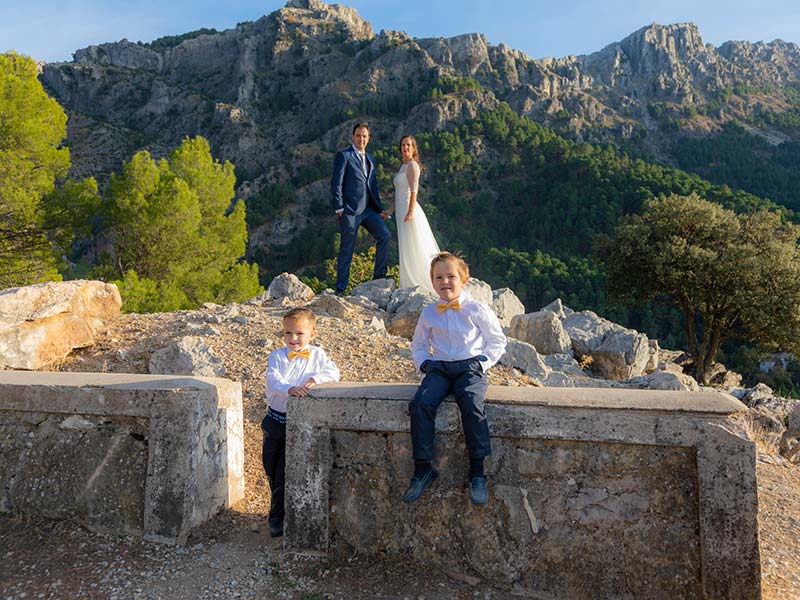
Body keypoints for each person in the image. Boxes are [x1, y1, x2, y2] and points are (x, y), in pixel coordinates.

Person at [405, 252, 507, 505]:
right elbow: (418, 343)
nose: (445, 282)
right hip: (439, 368)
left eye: (451, 276)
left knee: (472, 403)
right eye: (438, 277)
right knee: (421, 403)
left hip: (469, 367)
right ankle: (423, 467)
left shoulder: (477, 309)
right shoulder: (429, 312)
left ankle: (477, 470)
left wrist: (481, 363)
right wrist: (424, 363)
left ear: (464, 280)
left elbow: (497, 340)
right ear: (432, 282)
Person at [262, 307, 340, 538]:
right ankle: (278, 506)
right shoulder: (276, 356)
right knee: (269, 465)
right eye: (288, 333)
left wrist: (315, 379)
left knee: (284, 469)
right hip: (274, 420)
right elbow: (273, 379)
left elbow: (333, 372)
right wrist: (290, 388)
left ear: (312, 334)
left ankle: (277, 516)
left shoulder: (318, 355)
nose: (293, 339)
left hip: (297, 423)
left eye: (299, 334)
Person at [330, 122, 391, 296]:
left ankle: (379, 276)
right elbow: (336, 183)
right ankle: (340, 289)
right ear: (353, 137)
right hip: (350, 210)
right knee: (347, 248)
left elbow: (373, 185)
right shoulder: (344, 155)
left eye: (364, 136)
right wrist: (339, 207)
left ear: (368, 138)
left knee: (385, 235)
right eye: (358, 135)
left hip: (369, 210)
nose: (361, 139)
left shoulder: (370, 158)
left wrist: (378, 208)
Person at [381, 135, 440, 293]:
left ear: (413, 148)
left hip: (409, 210)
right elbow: (399, 193)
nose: (405, 148)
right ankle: (408, 282)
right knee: (406, 246)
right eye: (403, 145)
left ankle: (423, 282)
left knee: (416, 244)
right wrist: (389, 211)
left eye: (408, 145)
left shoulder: (413, 165)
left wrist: (411, 211)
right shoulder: (403, 166)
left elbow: (414, 190)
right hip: (401, 210)